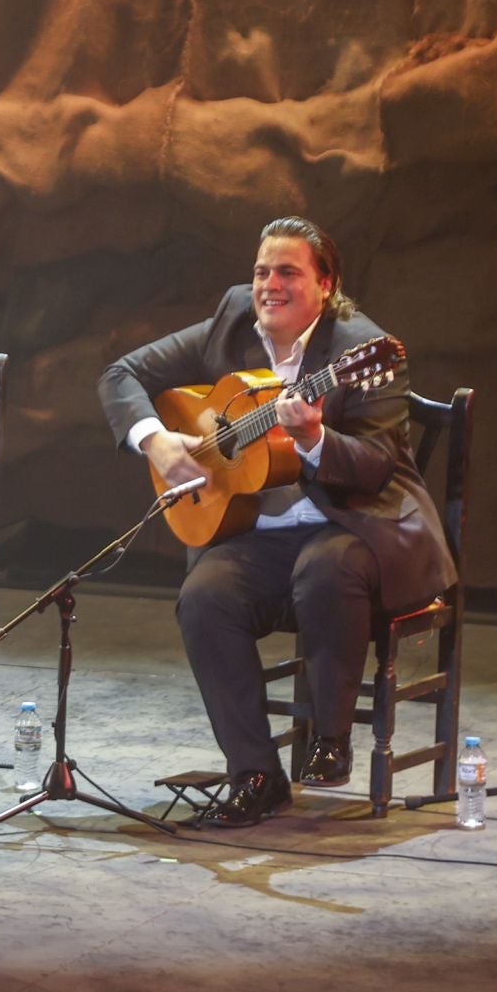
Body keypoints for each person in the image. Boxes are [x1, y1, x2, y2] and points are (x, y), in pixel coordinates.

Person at [97, 217, 456, 825]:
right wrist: (155, 441)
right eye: (263, 271)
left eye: (288, 272)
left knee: (325, 568)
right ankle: (256, 772)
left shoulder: (362, 349)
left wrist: (315, 437)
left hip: (358, 528)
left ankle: (330, 739)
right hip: (262, 536)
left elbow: (375, 466)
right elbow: (120, 374)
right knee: (204, 597)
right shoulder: (235, 317)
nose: (270, 285)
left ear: (325, 283)